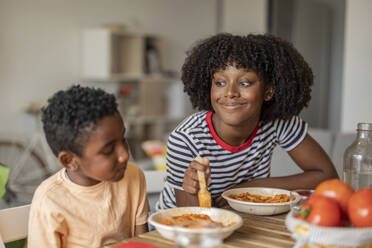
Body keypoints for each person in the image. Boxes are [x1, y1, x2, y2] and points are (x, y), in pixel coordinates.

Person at [156, 33, 338, 210]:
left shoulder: (278, 123)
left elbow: (327, 176)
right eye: (220, 83)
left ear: (268, 91)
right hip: (178, 231)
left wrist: (249, 188)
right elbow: (191, 222)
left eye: (244, 83)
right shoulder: (186, 139)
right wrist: (191, 188)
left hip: (244, 223)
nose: (230, 92)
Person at [28, 85, 149, 247]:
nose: (125, 155)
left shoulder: (133, 175)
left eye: (123, 139)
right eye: (108, 150)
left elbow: (143, 243)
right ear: (69, 161)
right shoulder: (49, 201)